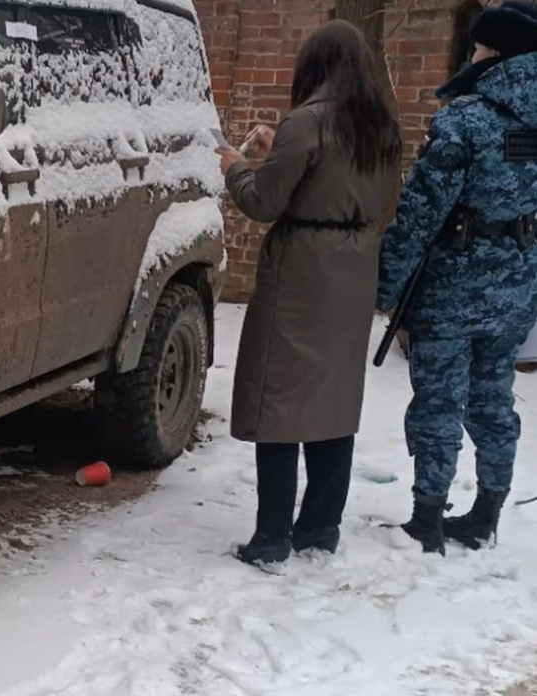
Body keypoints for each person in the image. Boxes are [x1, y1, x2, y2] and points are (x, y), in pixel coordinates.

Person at [216, 20, 402, 566]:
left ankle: (271, 536)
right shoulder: (381, 128)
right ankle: (320, 528)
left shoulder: (307, 121)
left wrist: (237, 167)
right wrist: (281, 153)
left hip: (301, 271)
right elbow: (334, 177)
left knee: (280, 398)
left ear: (314, 66)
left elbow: (263, 202)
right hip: (354, 265)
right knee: (332, 401)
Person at [377, 1, 537, 555]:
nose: (471, 53)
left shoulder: (465, 120)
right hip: (518, 284)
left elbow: (420, 213)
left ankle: (427, 518)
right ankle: (488, 512)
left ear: (493, 52)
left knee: (440, 400)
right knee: (494, 398)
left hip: (452, 287)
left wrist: (385, 285)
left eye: (478, 46)